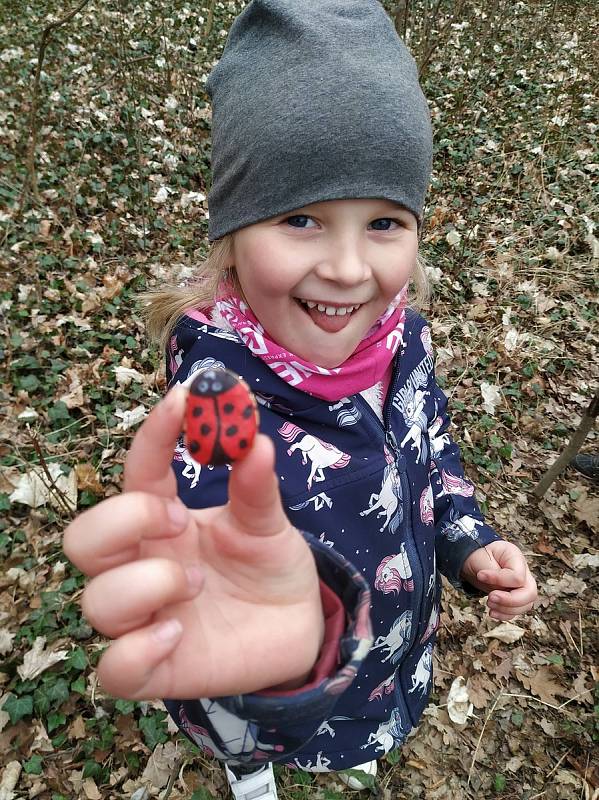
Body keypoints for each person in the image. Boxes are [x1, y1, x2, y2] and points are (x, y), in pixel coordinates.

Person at [63, 2, 538, 797]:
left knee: (360, 734)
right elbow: (222, 589)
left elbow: (431, 452)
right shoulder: (218, 403)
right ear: (233, 233)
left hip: (391, 652)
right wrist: (272, 678)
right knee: (255, 734)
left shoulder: (403, 342)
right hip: (287, 683)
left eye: (383, 221)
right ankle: (252, 767)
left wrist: (466, 541)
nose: (350, 268)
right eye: (301, 219)